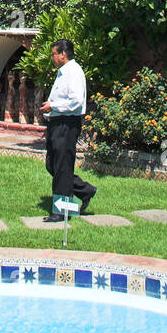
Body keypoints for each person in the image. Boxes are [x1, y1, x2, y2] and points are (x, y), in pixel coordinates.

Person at [40, 39, 97, 222]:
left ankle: (61, 211)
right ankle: (85, 190)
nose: (52, 57)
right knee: (53, 165)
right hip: (57, 123)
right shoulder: (63, 72)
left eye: (53, 54)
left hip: (67, 123)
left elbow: (76, 101)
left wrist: (53, 106)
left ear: (62, 54)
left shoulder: (73, 72)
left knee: (63, 166)